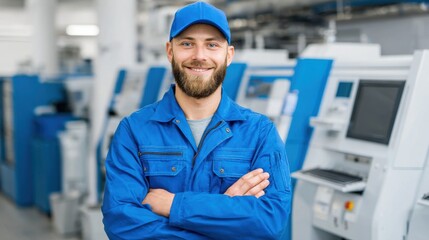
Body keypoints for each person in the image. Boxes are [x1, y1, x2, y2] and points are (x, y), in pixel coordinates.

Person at [102, 1, 291, 239]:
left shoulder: (260, 133)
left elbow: (271, 220)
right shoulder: (133, 130)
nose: (199, 56)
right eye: (187, 44)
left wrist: (173, 205)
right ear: (170, 51)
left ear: (228, 55)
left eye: (212, 45)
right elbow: (122, 224)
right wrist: (225, 212)